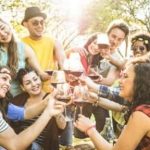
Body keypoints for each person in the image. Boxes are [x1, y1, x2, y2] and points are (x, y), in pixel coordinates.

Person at [75, 62, 150, 150]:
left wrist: (90, 129)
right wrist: (96, 100)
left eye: (125, 76)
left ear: (140, 82)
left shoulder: (142, 114)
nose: (119, 81)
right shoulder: (144, 107)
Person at [0, 66, 65, 150]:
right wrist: (48, 112)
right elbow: (14, 143)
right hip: (22, 144)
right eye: (4, 78)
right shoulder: (16, 100)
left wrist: (48, 103)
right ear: (23, 87)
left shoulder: (5, 105)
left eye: (9, 81)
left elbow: (25, 113)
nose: (34, 84)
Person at [0, 17, 49, 97]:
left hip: (19, 98)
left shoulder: (24, 48)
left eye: (2, 28)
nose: (2, 34)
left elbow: (40, 73)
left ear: (8, 25)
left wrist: (54, 75)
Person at [21, 6, 66, 92]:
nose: (40, 26)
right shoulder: (20, 44)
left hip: (52, 91)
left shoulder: (54, 42)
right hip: (31, 93)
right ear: (25, 24)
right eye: (35, 23)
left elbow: (64, 66)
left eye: (42, 22)